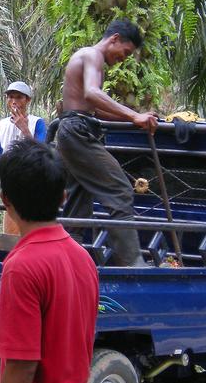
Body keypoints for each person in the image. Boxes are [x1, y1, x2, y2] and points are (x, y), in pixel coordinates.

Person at [0, 138, 100, 383]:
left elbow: (21, 366)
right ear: (63, 197)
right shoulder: (83, 258)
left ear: (6, 201)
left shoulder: (21, 267)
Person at [57, 19, 157, 266]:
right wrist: (134, 115)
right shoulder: (93, 55)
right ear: (114, 39)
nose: (124, 59)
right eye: (125, 52)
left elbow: (94, 110)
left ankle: (69, 262)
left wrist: (134, 119)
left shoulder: (86, 57)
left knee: (78, 203)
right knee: (120, 190)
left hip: (74, 130)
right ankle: (133, 265)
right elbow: (92, 93)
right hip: (77, 132)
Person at [0, 81, 47, 235]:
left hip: (33, 185)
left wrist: (24, 128)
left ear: (28, 100)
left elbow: (40, 152)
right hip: (10, 186)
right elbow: (0, 159)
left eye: (19, 97)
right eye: (11, 97)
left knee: (33, 232)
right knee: (11, 235)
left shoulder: (37, 123)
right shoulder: (1, 126)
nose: (14, 101)